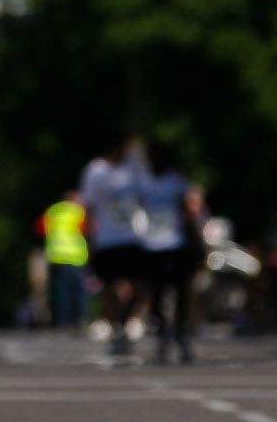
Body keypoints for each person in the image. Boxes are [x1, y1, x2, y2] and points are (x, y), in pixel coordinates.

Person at [78, 136, 147, 357]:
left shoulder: (134, 171)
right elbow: (88, 206)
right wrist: (89, 238)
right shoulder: (96, 171)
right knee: (109, 287)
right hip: (107, 238)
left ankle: (127, 320)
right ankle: (117, 327)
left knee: (142, 286)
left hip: (133, 236)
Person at [142, 143, 202, 364]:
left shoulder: (177, 182)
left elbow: (190, 211)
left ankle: (180, 334)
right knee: (157, 294)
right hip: (151, 244)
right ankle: (163, 334)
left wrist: (196, 241)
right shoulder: (143, 183)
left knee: (181, 293)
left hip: (176, 244)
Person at [37, 192, 89, 331]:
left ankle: (61, 321)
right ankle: (78, 320)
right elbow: (87, 230)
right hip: (75, 257)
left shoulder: (53, 211)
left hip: (56, 257)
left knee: (60, 293)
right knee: (78, 292)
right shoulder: (79, 212)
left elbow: (41, 229)